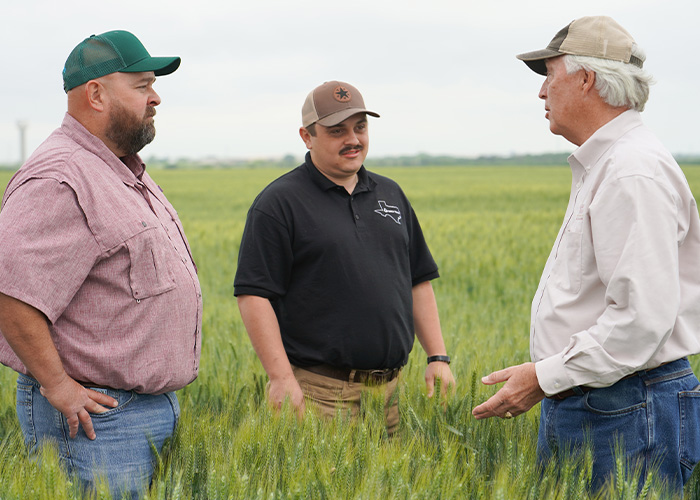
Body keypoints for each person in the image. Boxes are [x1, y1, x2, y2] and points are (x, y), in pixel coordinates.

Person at [472, 15, 700, 492]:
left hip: (625, 407)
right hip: (608, 400)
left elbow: (641, 320)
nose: (541, 93)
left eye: (549, 76)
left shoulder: (630, 171)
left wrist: (544, 376)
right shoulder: (612, 163)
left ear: (587, 80)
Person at [0, 30, 202, 499]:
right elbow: (11, 294)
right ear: (96, 93)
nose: (155, 98)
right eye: (142, 85)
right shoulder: (61, 178)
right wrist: (58, 387)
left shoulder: (116, 167)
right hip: (98, 423)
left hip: (141, 412)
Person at [234, 80, 455, 434]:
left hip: (391, 393)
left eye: (360, 127)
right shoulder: (279, 203)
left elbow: (417, 279)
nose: (353, 139)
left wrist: (438, 356)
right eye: (337, 131)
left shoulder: (391, 194)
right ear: (307, 136)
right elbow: (254, 295)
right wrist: (280, 378)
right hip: (319, 395)